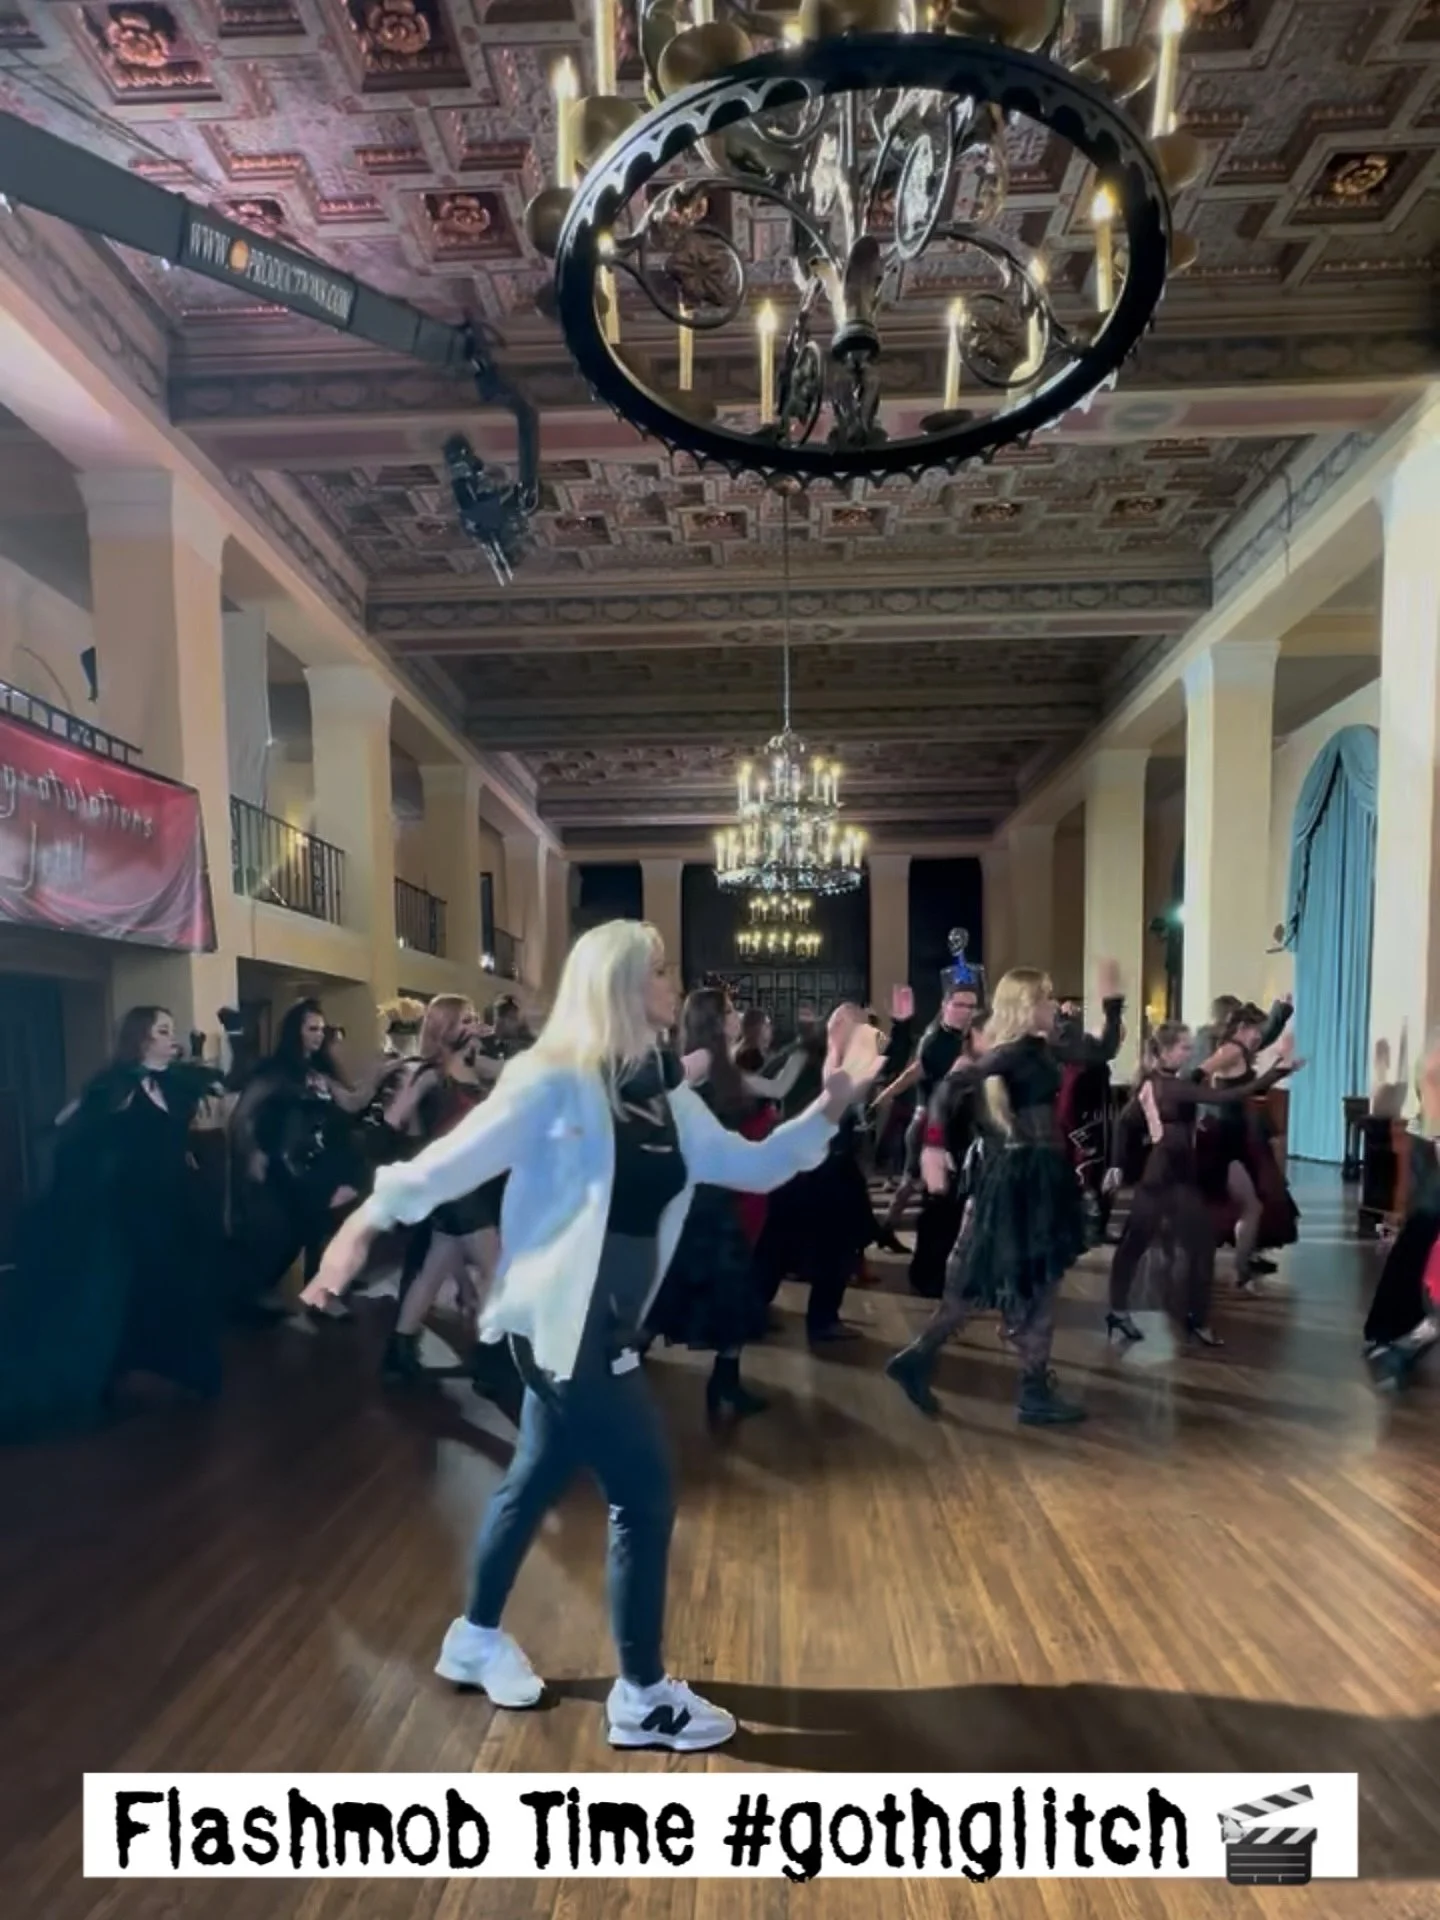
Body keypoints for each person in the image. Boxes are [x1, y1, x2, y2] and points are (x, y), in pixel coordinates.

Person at [302, 919, 884, 1751]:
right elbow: (443, 1166)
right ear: (616, 984)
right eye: (656, 970)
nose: (670, 982)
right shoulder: (552, 1080)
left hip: (593, 1327)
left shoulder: (664, 1093)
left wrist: (831, 1103)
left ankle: (472, 1639)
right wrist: (361, 1227)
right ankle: (643, 1697)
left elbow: (754, 1166)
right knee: (643, 1495)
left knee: (534, 1477)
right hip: (566, 1330)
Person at [887, 963, 1124, 1425]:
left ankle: (1021, 1384)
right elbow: (949, 1087)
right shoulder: (1013, 1052)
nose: (1054, 1006)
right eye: (1046, 998)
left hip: (1040, 1175)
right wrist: (933, 1145)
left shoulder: (1046, 1046)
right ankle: (928, 1360)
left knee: (1035, 1281)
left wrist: (1112, 1003)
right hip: (1019, 1176)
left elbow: (1104, 1049)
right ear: (1025, 1005)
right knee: (984, 1283)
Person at [0, 1007, 226, 1439]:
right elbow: (68, 1130)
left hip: (171, 1208)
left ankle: (190, 1371)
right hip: (129, 1211)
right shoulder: (113, 1087)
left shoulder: (178, 1085)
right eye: (162, 1031)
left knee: (174, 1289)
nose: (171, 1038)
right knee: (116, 1295)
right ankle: (107, 1373)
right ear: (141, 1039)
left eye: (170, 1030)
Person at [646, 987, 807, 1421]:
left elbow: (778, 1085)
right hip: (695, 1196)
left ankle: (726, 1380)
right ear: (714, 1020)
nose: (738, 1016)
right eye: (731, 1011)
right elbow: (657, 1096)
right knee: (672, 1290)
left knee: (725, 1293)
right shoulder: (696, 1066)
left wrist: (807, 1047)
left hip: (717, 1197)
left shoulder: (727, 1069)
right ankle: (619, 1368)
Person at [1104, 1022, 1299, 1348]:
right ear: (1165, 1051)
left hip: (1169, 1176)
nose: (1190, 1051)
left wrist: (1117, 1164)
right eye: (1183, 1046)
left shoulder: (1156, 1083)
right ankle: (1179, 1318)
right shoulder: (1171, 1088)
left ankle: (1146, 1314)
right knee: (1157, 1247)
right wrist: (1276, 1074)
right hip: (1167, 1179)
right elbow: (1227, 1095)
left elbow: (1125, 1122)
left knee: (1173, 1247)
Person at [231, 998, 399, 1308]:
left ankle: (320, 1288)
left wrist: (381, 1074)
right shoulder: (276, 1072)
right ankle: (303, 1289)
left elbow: (351, 1102)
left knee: (328, 1214)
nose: (319, 1035)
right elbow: (243, 1115)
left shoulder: (321, 1071)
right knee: (296, 1230)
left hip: (316, 1161)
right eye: (312, 1028)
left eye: (322, 1029)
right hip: (285, 1162)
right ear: (296, 1031)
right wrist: (252, 1152)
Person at [380, 995, 505, 1382]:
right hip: (456, 1190)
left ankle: (399, 1355)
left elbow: (514, 1072)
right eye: (464, 1020)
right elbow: (393, 1121)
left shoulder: (476, 1068)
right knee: (498, 1270)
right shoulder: (431, 1075)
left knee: (433, 1271)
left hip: (473, 1185)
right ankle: (492, 1359)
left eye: (474, 1017)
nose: (473, 1025)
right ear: (444, 1028)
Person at [1363, 1035, 1440, 1388]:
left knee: (1418, 1246)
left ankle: (1394, 1337)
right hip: (1431, 1149)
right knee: (1417, 1244)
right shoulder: (1434, 1061)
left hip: (1428, 1147)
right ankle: (1393, 1339)